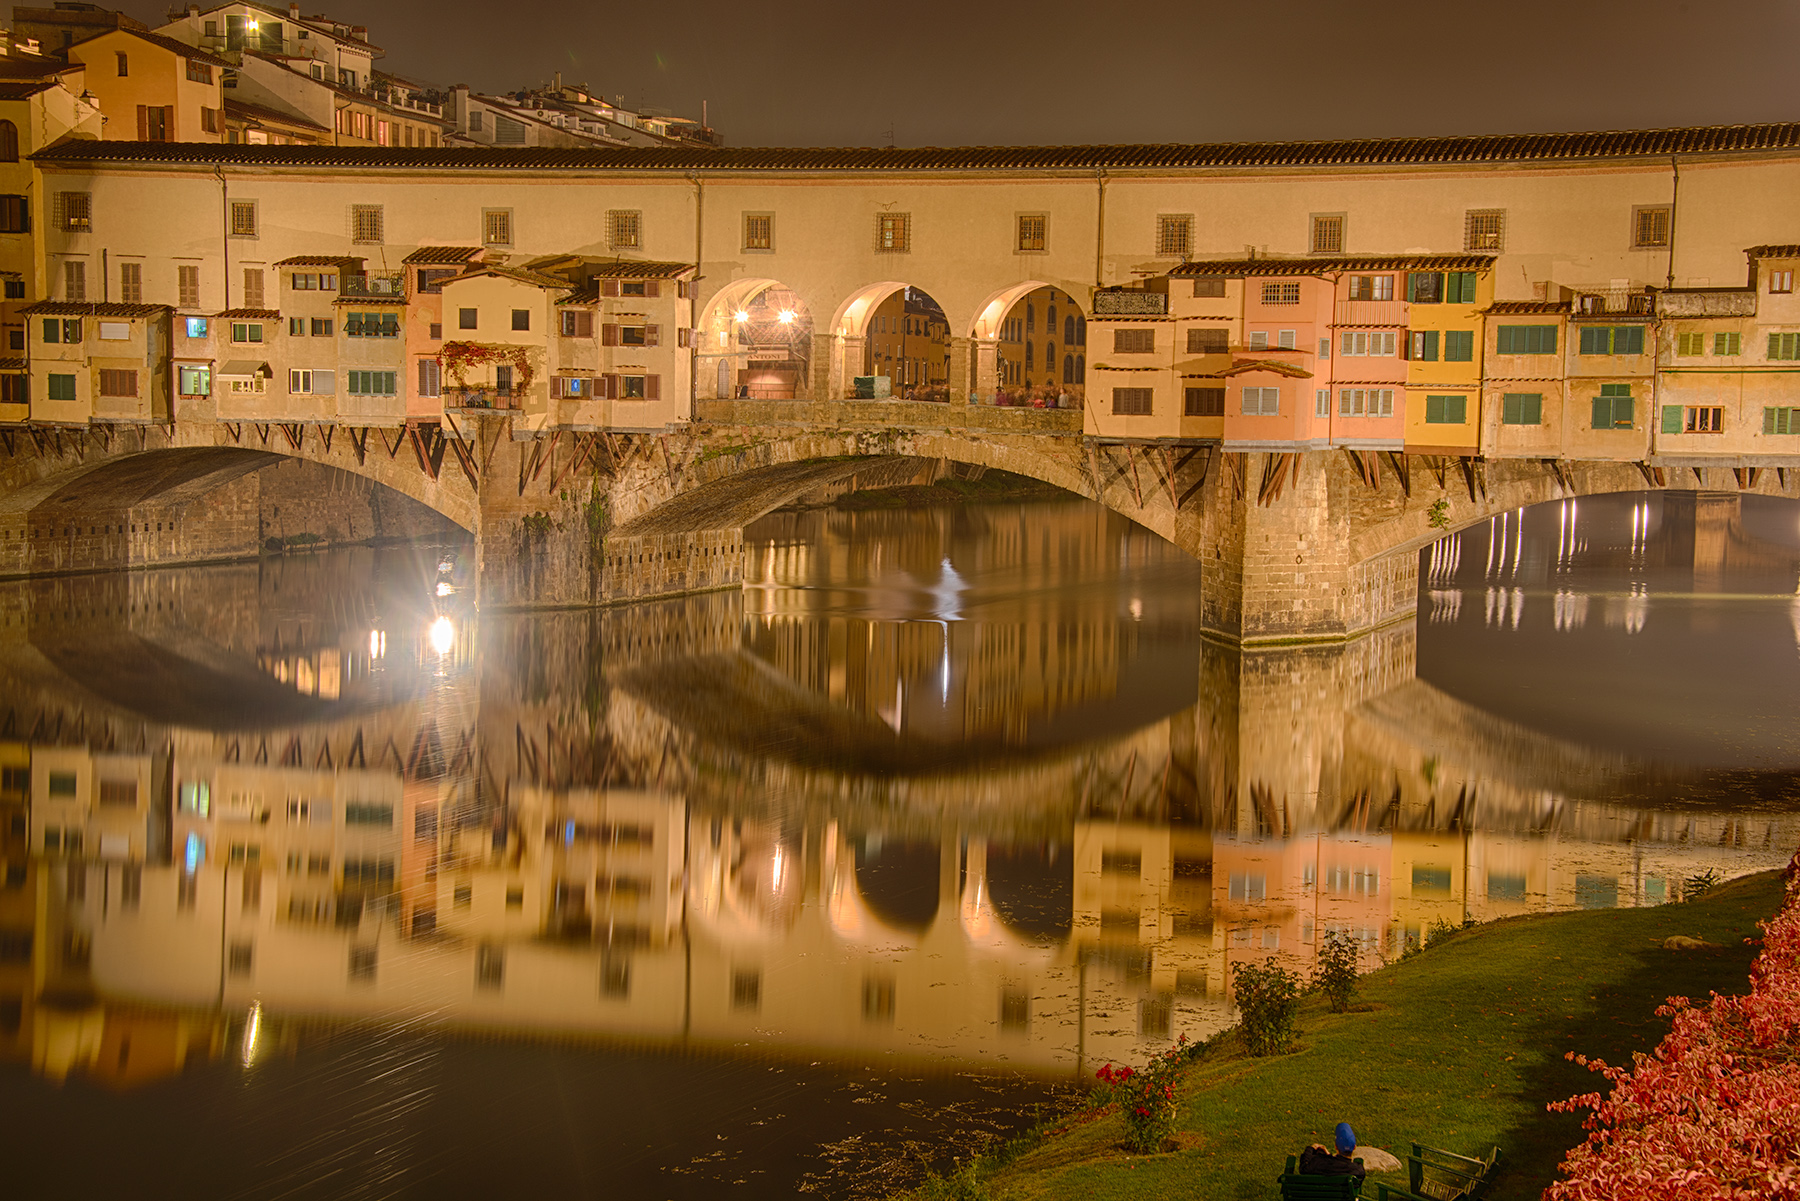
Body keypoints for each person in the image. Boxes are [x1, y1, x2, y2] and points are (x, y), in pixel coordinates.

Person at [1298, 1123, 1365, 1183]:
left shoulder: (1319, 1164)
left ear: (1336, 1147)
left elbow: (1304, 1168)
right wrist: (1329, 1156)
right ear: (1354, 1147)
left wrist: (1310, 1149)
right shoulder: (1358, 1171)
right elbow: (1339, 1167)